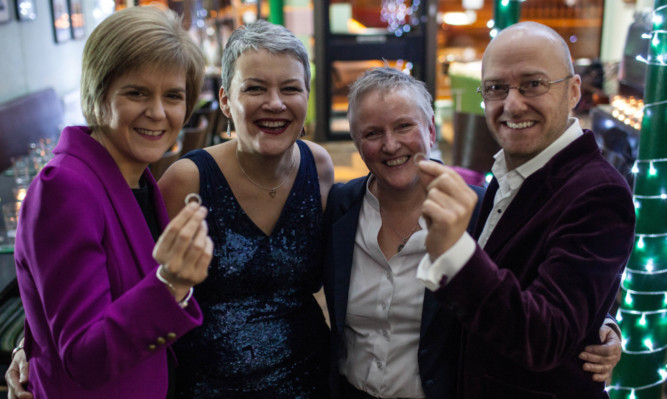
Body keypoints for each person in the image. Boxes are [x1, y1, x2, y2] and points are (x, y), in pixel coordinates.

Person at [323, 66, 623, 399]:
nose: (391, 144)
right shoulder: (339, 206)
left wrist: (600, 322)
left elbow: (535, 282)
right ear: (356, 142)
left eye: (404, 126)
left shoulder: (482, 209)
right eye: (372, 133)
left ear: (431, 131)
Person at [416, 22, 635, 399]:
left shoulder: (601, 193)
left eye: (533, 84)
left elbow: (546, 337)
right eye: (496, 88)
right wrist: (598, 317)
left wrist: (456, 253)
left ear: (573, 91)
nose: (512, 104)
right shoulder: (513, 169)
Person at [7, 5, 213, 399]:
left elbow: (60, 298)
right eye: (136, 93)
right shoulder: (63, 187)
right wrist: (169, 283)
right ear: (98, 93)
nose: (157, 112)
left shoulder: (137, 176)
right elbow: (84, 354)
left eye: (173, 95)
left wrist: (30, 341)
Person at [156, 20, 335, 397]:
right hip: (209, 388)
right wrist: (31, 343)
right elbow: (136, 287)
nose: (275, 103)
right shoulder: (186, 181)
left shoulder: (318, 166)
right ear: (225, 100)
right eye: (254, 88)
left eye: (290, 88)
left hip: (311, 379)